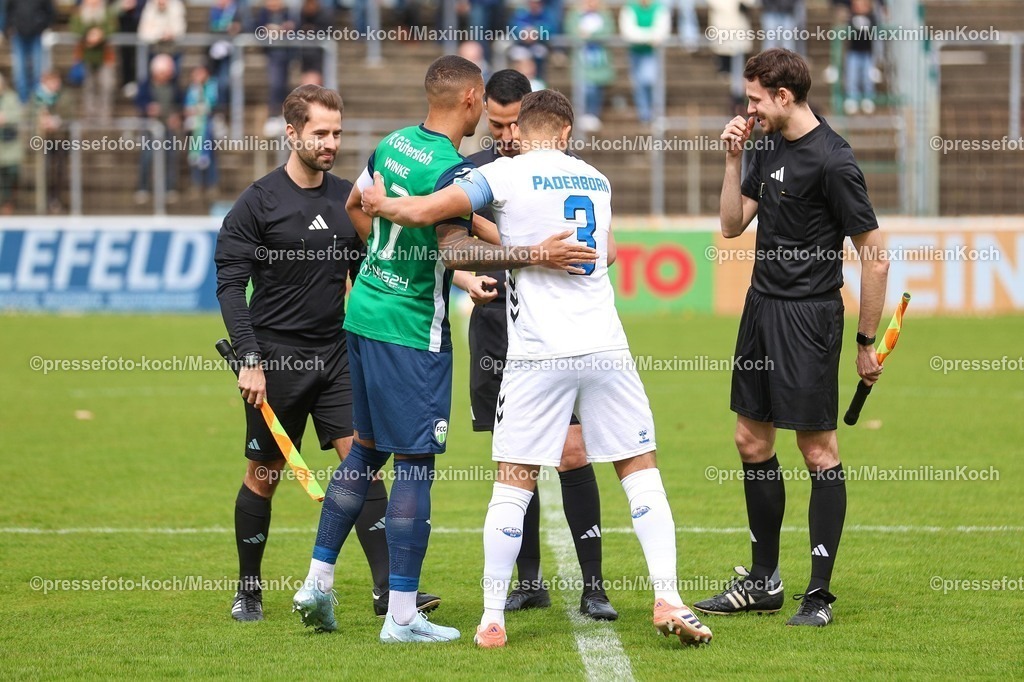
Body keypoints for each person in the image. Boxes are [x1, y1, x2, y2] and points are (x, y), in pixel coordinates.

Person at [359, 89, 713, 649]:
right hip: (604, 345)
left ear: (520, 133)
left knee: (512, 483)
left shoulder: (504, 175)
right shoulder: (596, 180)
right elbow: (610, 253)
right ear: (568, 134)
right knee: (640, 469)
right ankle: (668, 594)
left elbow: (435, 212)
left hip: (538, 352)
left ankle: (492, 617)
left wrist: (386, 207)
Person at [291, 55, 596, 644]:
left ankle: (318, 581)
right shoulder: (453, 170)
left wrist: (391, 257)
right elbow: (458, 248)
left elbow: (358, 208)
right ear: (473, 99)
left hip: (363, 315)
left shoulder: (393, 144)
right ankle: (402, 616)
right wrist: (535, 254)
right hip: (410, 330)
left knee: (364, 453)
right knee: (415, 464)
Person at [693, 48, 889, 627]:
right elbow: (731, 226)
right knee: (751, 442)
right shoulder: (764, 142)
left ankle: (819, 594)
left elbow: (874, 257)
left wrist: (866, 339)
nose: (746, 107)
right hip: (760, 310)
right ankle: (762, 581)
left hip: (809, 318)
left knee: (816, 450)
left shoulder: (833, 160)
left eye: (754, 98)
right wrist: (732, 160)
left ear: (784, 96)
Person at [215, 84, 423, 622]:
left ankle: (386, 591)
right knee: (264, 474)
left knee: (362, 465)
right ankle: (249, 592)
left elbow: (371, 271)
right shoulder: (257, 202)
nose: (331, 143)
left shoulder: (347, 200)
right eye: (320, 133)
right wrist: (251, 359)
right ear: (292, 133)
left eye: (337, 132)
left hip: (336, 356)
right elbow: (230, 286)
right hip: (276, 359)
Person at [454, 69, 618, 621]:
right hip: (495, 326)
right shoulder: (479, 175)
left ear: (530, 118)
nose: (504, 135)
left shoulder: (561, 176)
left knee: (573, 450)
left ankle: (593, 584)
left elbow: (602, 247)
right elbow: (442, 241)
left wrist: (545, 253)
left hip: (556, 329)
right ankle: (528, 581)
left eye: (511, 124)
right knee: (513, 456)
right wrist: (465, 279)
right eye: (495, 125)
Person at [135, 53, 181, 205]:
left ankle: (169, 188)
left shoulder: (174, 86)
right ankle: (143, 188)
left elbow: (179, 104)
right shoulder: (146, 85)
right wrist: (148, 109)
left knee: (170, 157)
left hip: (168, 128)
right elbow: (139, 102)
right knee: (147, 157)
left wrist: (177, 116)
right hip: (151, 128)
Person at [566, 0, 615, 132]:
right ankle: (584, 113)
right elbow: (572, 32)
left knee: (597, 88)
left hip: (600, 60)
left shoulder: (604, 15)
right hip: (582, 59)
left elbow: (608, 32)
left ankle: (593, 114)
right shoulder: (575, 15)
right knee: (586, 87)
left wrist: (591, 35)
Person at [619, 0, 670, 125]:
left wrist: (642, 36)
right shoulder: (630, 7)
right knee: (639, 84)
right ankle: (645, 115)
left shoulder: (659, 8)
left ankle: (656, 113)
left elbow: (662, 32)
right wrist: (650, 36)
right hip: (636, 52)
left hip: (653, 53)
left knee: (651, 81)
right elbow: (628, 33)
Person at [0, 0, 56, 104]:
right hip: (18, 34)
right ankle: (23, 101)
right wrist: (8, 28)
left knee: (37, 70)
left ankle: (36, 102)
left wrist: (42, 25)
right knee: (20, 70)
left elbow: (50, 11)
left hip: (36, 34)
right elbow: (8, 10)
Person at [71, 0, 118, 123]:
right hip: (86, 56)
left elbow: (112, 28)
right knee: (88, 86)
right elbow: (75, 28)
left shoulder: (106, 13)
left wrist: (100, 35)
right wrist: (89, 34)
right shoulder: (80, 13)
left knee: (106, 85)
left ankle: (105, 114)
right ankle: (90, 114)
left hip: (105, 56)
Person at [183, 64, 218, 198]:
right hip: (195, 127)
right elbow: (188, 105)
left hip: (208, 127)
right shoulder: (192, 89)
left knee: (210, 156)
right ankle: (196, 184)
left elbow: (211, 103)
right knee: (195, 156)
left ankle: (211, 184)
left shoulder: (211, 86)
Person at [844, 0, 877, 115]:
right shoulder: (851, 17)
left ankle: (868, 98)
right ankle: (853, 98)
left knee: (867, 77)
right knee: (852, 76)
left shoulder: (872, 18)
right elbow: (849, 31)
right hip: (853, 53)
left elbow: (874, 31)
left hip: (867, 53)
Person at [0, 72, 21, 214]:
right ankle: (5, 202)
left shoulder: (11, 97)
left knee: (12, 173)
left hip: (9, 142)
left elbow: (18, 114)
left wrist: (5, 118)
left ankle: (9, 201)